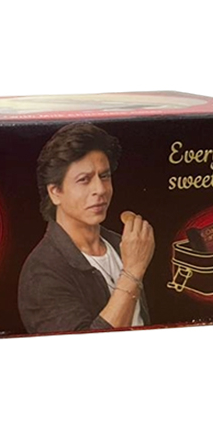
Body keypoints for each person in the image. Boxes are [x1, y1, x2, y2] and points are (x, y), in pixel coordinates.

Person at [18, 123, 154, 333]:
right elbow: (86, 347)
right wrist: (132, 272)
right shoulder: (41, 272)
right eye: (84, 180)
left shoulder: (123, 244)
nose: (100, 189)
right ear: (55, 192)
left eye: (104, 176)